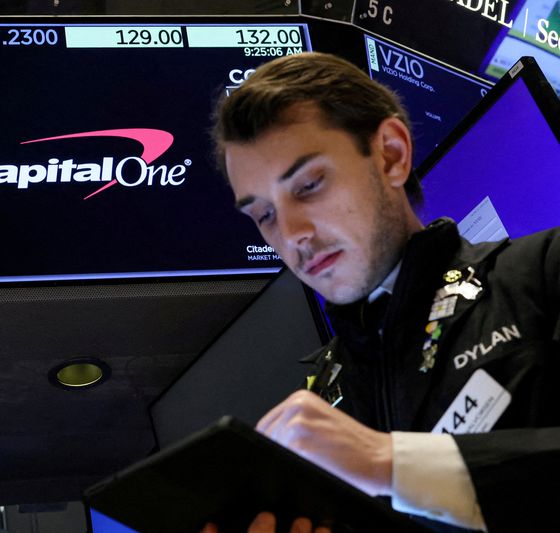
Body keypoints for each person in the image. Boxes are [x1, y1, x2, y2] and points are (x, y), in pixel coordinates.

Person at [206, 52, 560, 533]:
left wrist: (389, 462)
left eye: (309, 184)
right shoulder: (328, 406)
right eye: (264, 215)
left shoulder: (541, 270)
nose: (292, 234)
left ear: (391, 154)